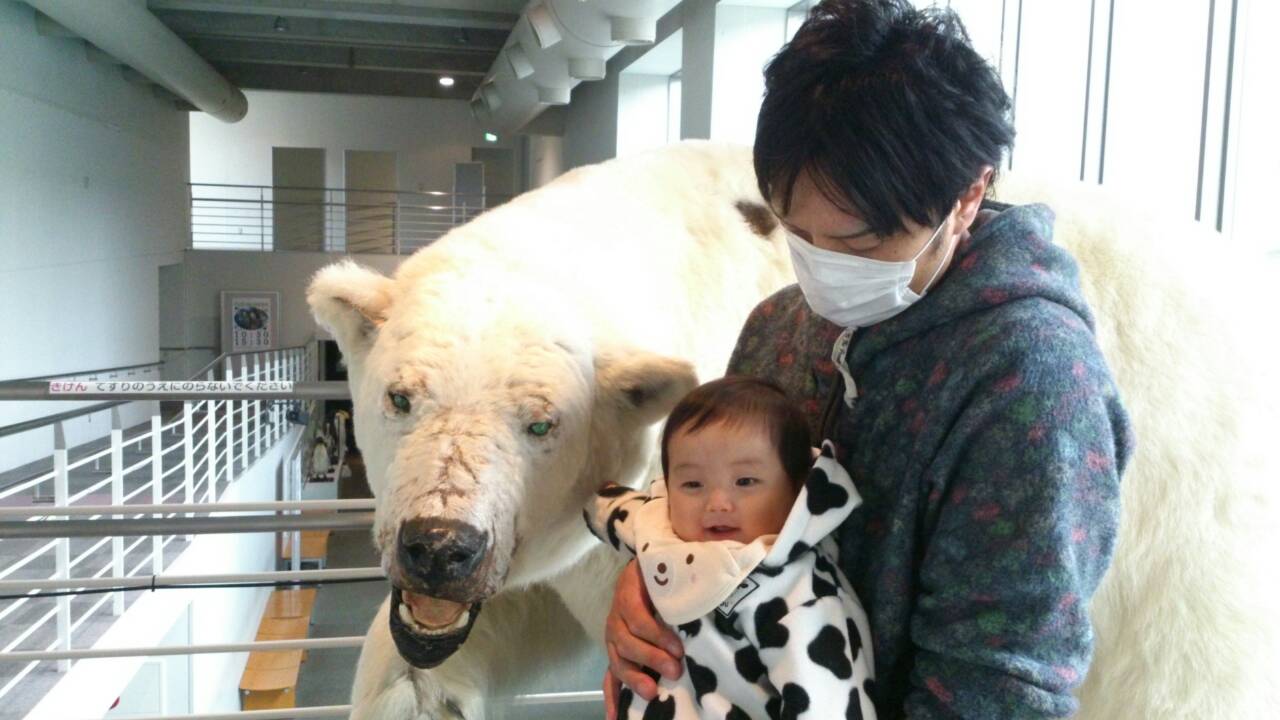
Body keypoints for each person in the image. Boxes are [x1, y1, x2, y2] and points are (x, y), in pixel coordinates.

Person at [603, 1, 1133, 718]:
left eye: (859, 242)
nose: (823, 270)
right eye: (798, 231)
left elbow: (997, 690)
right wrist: (655, 582)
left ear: (968, 195)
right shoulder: (780, 324)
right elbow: (699, 488)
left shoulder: (1031, 388)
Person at [585, 376, 877, 719]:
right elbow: (621, 513)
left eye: (745, 482)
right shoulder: (664, 531)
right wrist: (593, 498)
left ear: (797, 489)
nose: (718, 502)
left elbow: (828, 706)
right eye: (693, 484)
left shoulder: (800, 595)